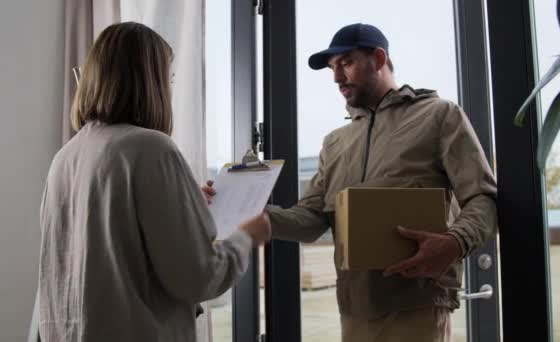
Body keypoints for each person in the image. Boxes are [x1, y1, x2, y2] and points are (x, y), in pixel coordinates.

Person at [204, 23, 497, 341]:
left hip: (417, 307)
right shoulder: (335, 143)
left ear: (379, 58)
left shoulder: (439, 116)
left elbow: (483, 196)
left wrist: (455, 243)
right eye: (332, 68)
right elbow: (311, 219)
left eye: (346, 63)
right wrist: (241, 209)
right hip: (354, 311)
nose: (337, 77)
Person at [37, 22, 270, 342]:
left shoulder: (65, 157)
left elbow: (103, 251)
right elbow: (198, 276)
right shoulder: (151, 149)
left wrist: (185, 206)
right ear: (149, 82)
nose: (170, 89)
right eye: (169, 79)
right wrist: (246, 237)